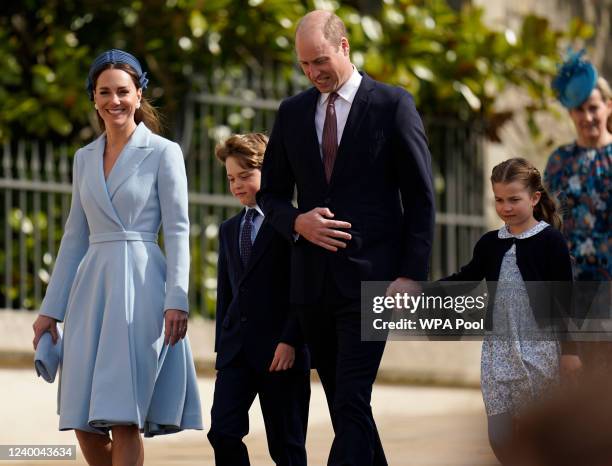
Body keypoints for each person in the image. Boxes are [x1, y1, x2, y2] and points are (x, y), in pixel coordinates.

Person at [257, 10, 435, 466]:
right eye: (304, 65)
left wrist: (411, 275)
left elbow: (420, 197)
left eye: (320, 60)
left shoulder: (393, 104)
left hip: (373, 284)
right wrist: (297, 222)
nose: (314, 73)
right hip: (313, 287)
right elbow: (272, 195)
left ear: (344, 46)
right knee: (345, 406)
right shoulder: (292, 113)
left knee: (353, 397)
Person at [31, 49, 202, 465]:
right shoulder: (83, 158)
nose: (115, 101)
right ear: (93, 98)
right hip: (91, 293)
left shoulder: (164, 152)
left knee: (124, 416)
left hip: (142, 290)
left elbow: (178, 230)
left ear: (139, 94)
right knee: (82, 420)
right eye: (104, 92)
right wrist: (49, 312)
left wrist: (177, 298)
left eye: (123, 91)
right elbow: (74, 237)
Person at [442, 158, 581, 464]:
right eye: (499, 200)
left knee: (540, 437)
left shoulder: (551, 242)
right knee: (500, 436)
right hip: (497, 353)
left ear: (534, 198)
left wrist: (571, 351)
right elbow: (465, 279)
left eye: (514, 199)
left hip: (540, 353)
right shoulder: (489, 243)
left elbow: (565, 300)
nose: (505, 207)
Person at [207, 133, 310, 465]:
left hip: (282, 352)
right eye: (231, 178)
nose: (236, 185)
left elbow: (304, 288)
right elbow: (227, 294)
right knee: (222, 432)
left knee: (286, 447)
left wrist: (291, 340)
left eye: (245, 176)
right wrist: (223, 354)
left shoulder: (295, 225)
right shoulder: (228, 229)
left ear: (269, 173)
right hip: (237, 351)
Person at [544, 49, 612, 374]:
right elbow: (546, 226)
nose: (587, 117)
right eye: (579, 110)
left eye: (593, 108)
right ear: (570, 114)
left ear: (608, 106)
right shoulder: (559, 162)